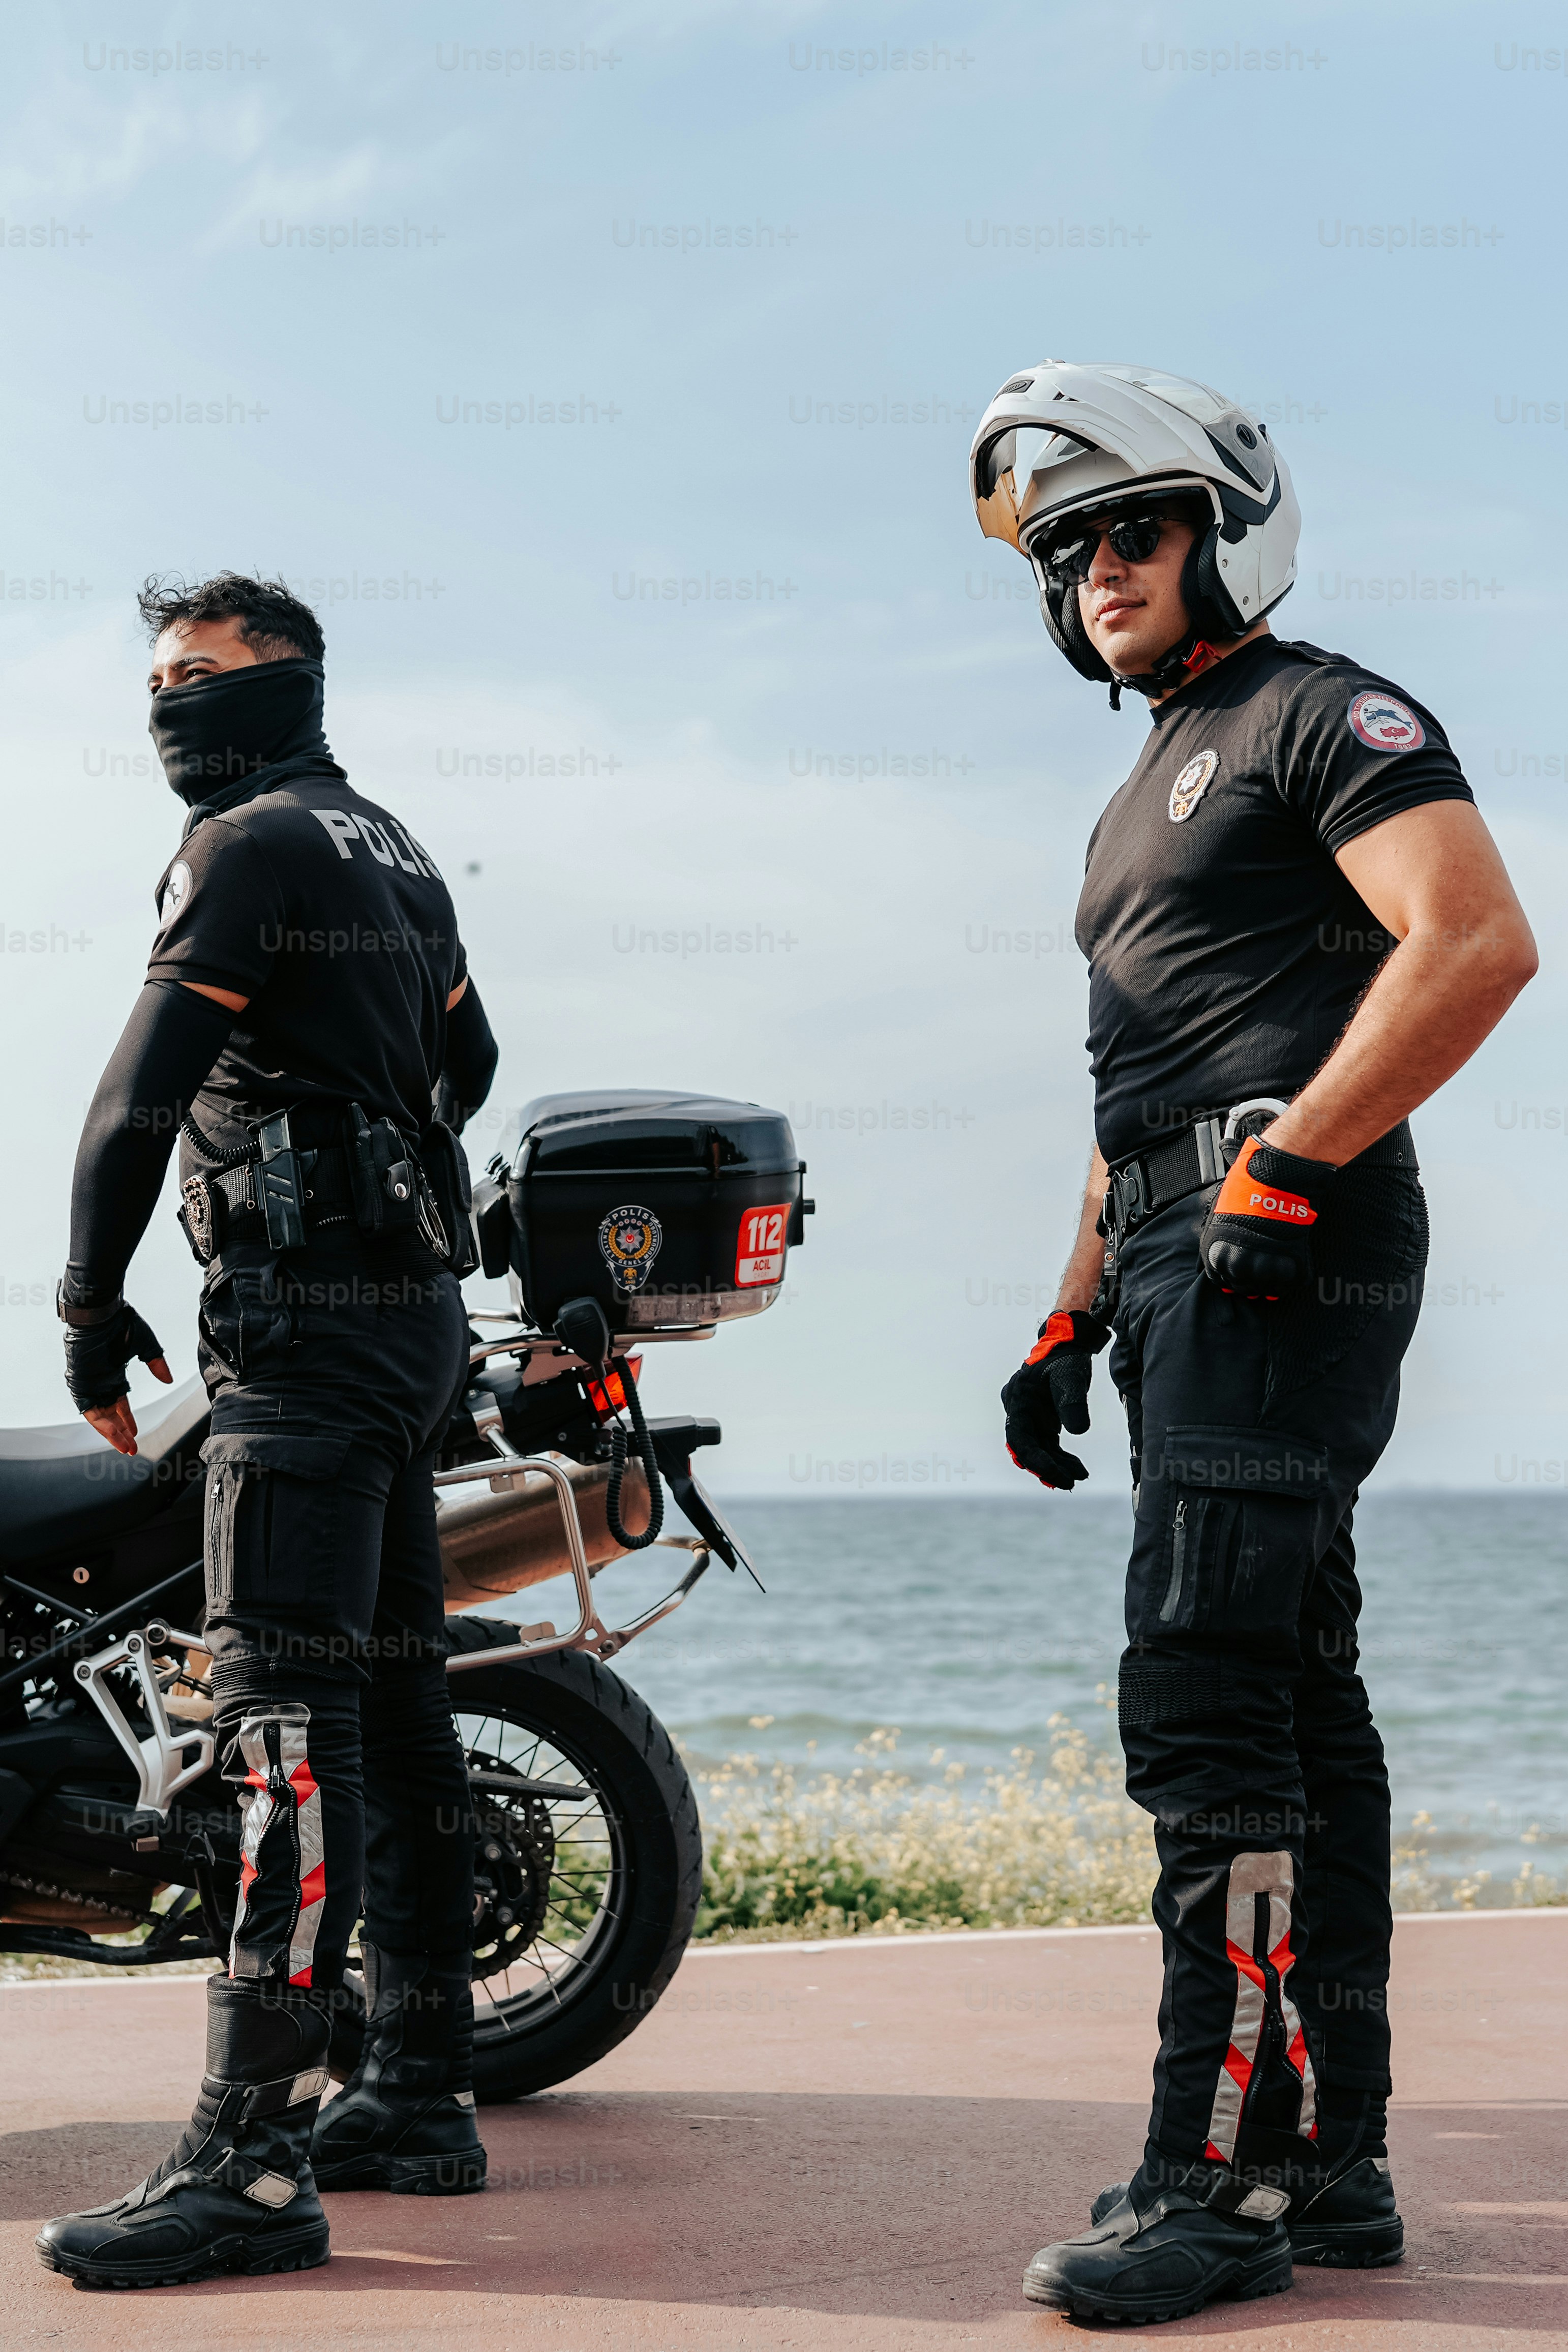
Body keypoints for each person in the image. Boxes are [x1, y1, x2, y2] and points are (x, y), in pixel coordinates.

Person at [969, 365, 1537, 2325]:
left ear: (1223, 530)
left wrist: (1288, 1162)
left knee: (1205, 1678)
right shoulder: (1146, 778)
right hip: (1175, 1241)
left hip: (1280, 1237)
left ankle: (1212, 2177)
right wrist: (1065, 1303)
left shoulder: (1319, 709)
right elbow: (1148, 1082)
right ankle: (1330, 2154)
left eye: (1128, 527)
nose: (1096, 567)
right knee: (1290, 1684)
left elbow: (1473, 938)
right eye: (1064, 551)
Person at [37, 573, 500, 2289]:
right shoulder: (395, 848)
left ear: (287, 677)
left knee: (278, 1714)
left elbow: (139, 1084)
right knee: (392, 1701)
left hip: (304, 1329)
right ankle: (418, 2092)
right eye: (153, 678)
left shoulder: (244, 846)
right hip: (412, 1317)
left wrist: (90, 1294)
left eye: (199, 675)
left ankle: (245, 2159)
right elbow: (475, 1052)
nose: (170, 705)